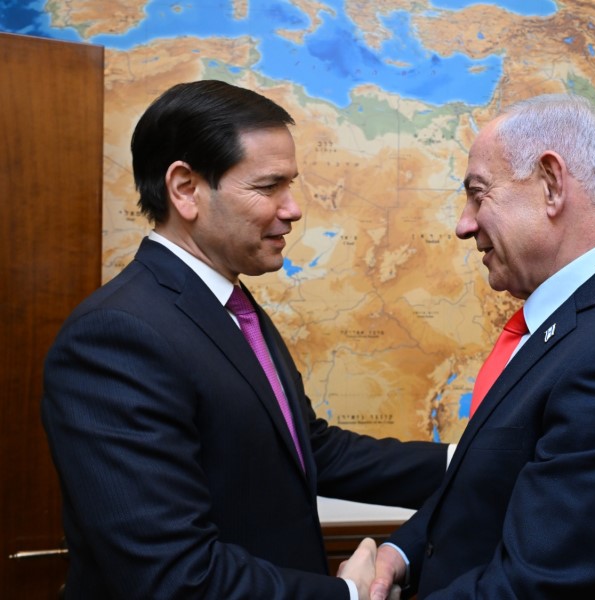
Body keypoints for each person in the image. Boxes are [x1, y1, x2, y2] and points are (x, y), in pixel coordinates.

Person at [41, 79, 449, 600]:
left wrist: (465, 458)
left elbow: (304, 448)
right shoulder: (114, 338)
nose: (294, 208)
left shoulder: (229, 305)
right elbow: (173, 576)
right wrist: (346, 595)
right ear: (186, 189)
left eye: (291, 183)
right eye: (268, 186)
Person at [368, 94, 595, 599]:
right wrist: (403, 551)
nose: (463, 223)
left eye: (478, 194)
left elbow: (535, 586)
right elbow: (492, 483)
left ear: (551, 185)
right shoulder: (574, 325)